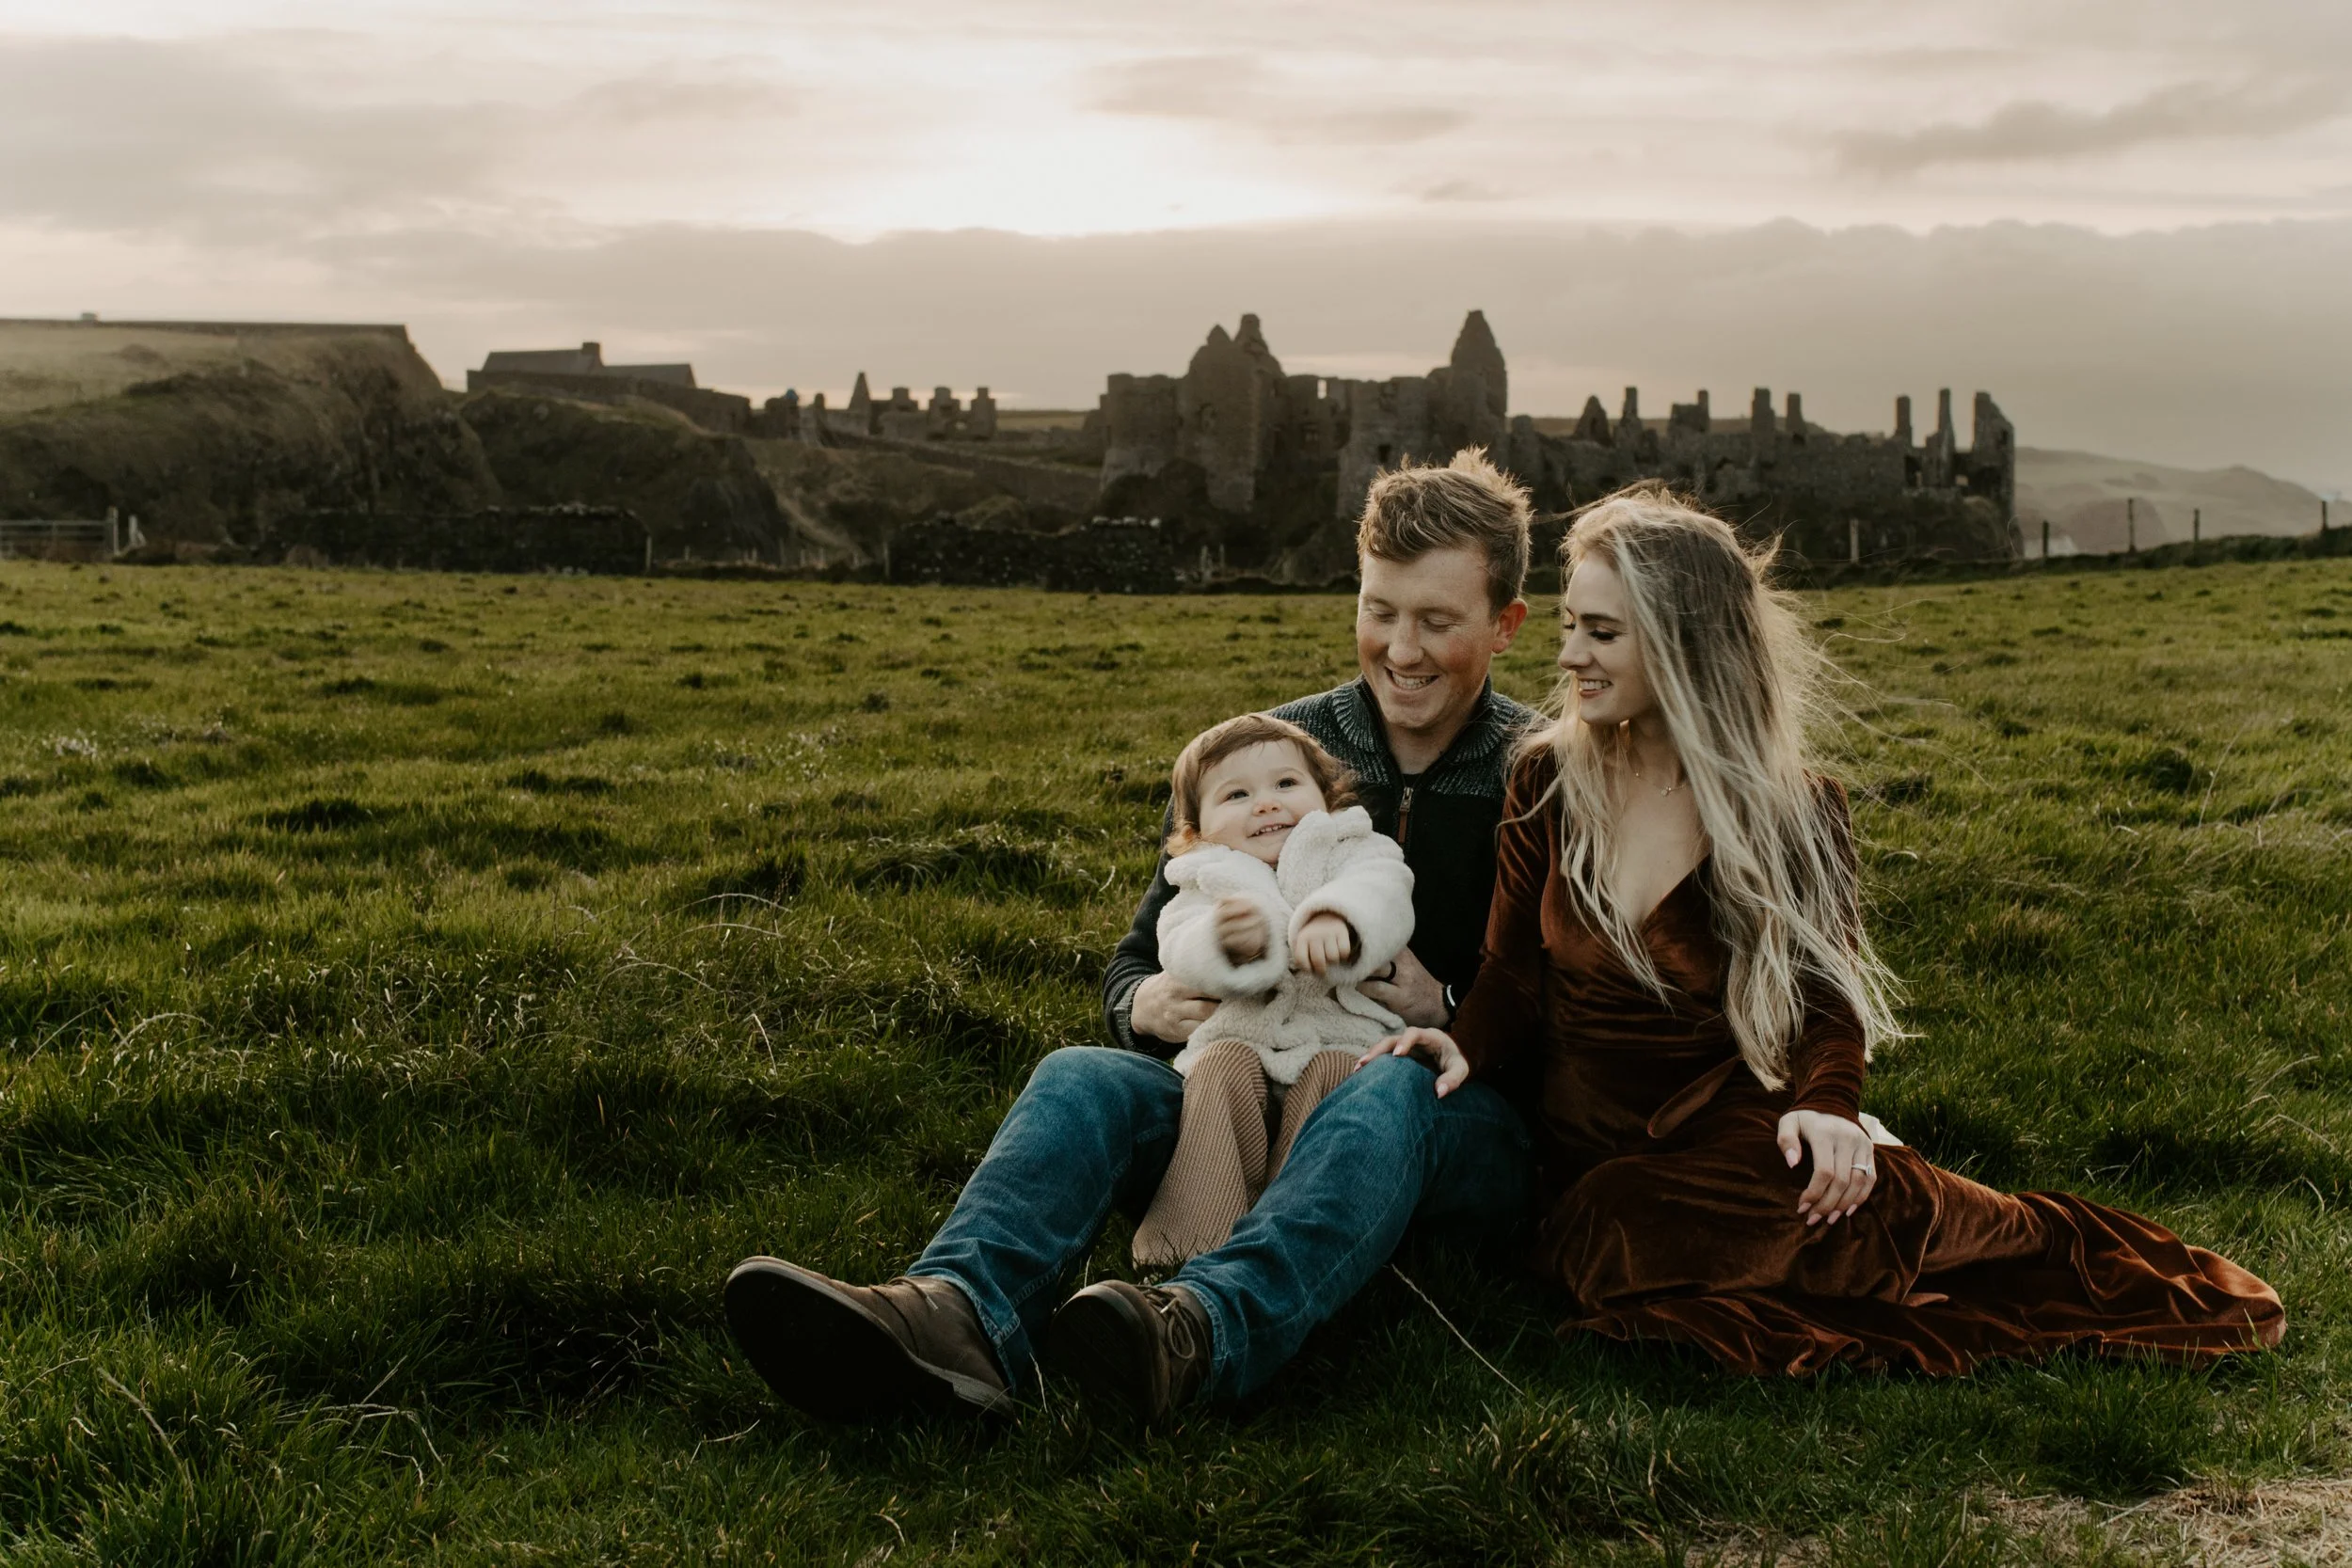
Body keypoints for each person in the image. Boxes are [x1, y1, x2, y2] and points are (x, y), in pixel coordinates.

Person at [1366, 483, 2285, 1374]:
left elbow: (1824, 996)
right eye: (1570, 625)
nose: (1569, 656)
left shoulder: (1794, 812)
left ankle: (1960, 1218)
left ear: (1686, 641)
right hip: (1588, 1149)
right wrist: (1461, 1043)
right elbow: (1510, 974)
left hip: (1729, 1130)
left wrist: (1831, 1107)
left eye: (1601, 632)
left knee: (1904, 1230)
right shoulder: (1546, 781)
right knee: (1608, 1228)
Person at [723, 450, 1539, 1424]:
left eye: (1437, 621)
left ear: (1505, 624)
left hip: (1439, 1125)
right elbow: (1139, 954)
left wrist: (1444, 1007)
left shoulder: (1542, 773)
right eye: (1379, 610)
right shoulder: (1266, 755)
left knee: (1388, 1082)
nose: (1401, 648)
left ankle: (1199, 1328)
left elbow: (1584, 1012)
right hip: (1240, 1087)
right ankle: (953, 1313)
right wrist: (1142, 1002)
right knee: (1081, 1074)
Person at [1129, 713, 1414, 1268]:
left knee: (1340, 1078)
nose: (1265, 804)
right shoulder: (1204, 877)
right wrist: (1226, 943)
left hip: (1339, 1039)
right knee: (1218, 1070)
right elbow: (1177, 942)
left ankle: (1287, 1245)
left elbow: (1385, 891)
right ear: (1196, 829)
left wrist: (1338, 916)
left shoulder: (1353, 848)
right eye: (1237, 795)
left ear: (1326, 796)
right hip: (1244, 1039)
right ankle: (1186, 1246)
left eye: (1285, 784)